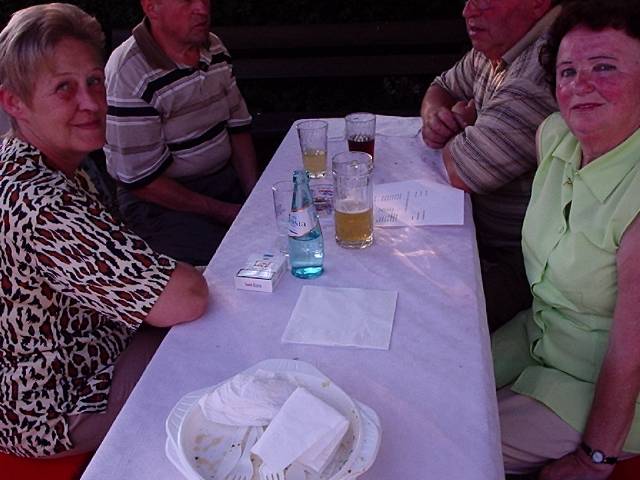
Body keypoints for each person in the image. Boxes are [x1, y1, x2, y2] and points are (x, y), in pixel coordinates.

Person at [0, 3, 209, 458]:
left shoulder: (38, 161)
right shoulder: (44, 203)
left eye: (95, 81)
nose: (91, 103)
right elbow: (185, 297)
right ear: (14, 102)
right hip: (55, 408)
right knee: (207, 366)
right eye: (64, 88)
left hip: (85, 352)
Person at [492, 0, 640, 477]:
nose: (580, 85)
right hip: (536, 334)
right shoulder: (553, 137)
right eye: (567, 71)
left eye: (605, 67)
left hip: (607, 388)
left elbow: (630, 353)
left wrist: (593, 459)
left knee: (451, 439)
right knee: (426, 387)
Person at [420, 0, 562, 330]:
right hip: (476, 235)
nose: (468, 11)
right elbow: (441, 87)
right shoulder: (498, 48)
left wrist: (461, 124)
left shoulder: (542, 67)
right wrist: (435, 115)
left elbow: (464, 170)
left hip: (526, 262)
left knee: (430, 316)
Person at [104, 0, 259, 266]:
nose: (202, 9)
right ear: (151, 8)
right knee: (233, 265)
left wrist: (254, 197)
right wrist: (226, 212)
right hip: (161, 205)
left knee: (283, 236)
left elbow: (238, 127)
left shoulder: (214, 47)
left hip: (223, 183)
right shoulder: (129, 72)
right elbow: (142, 182)